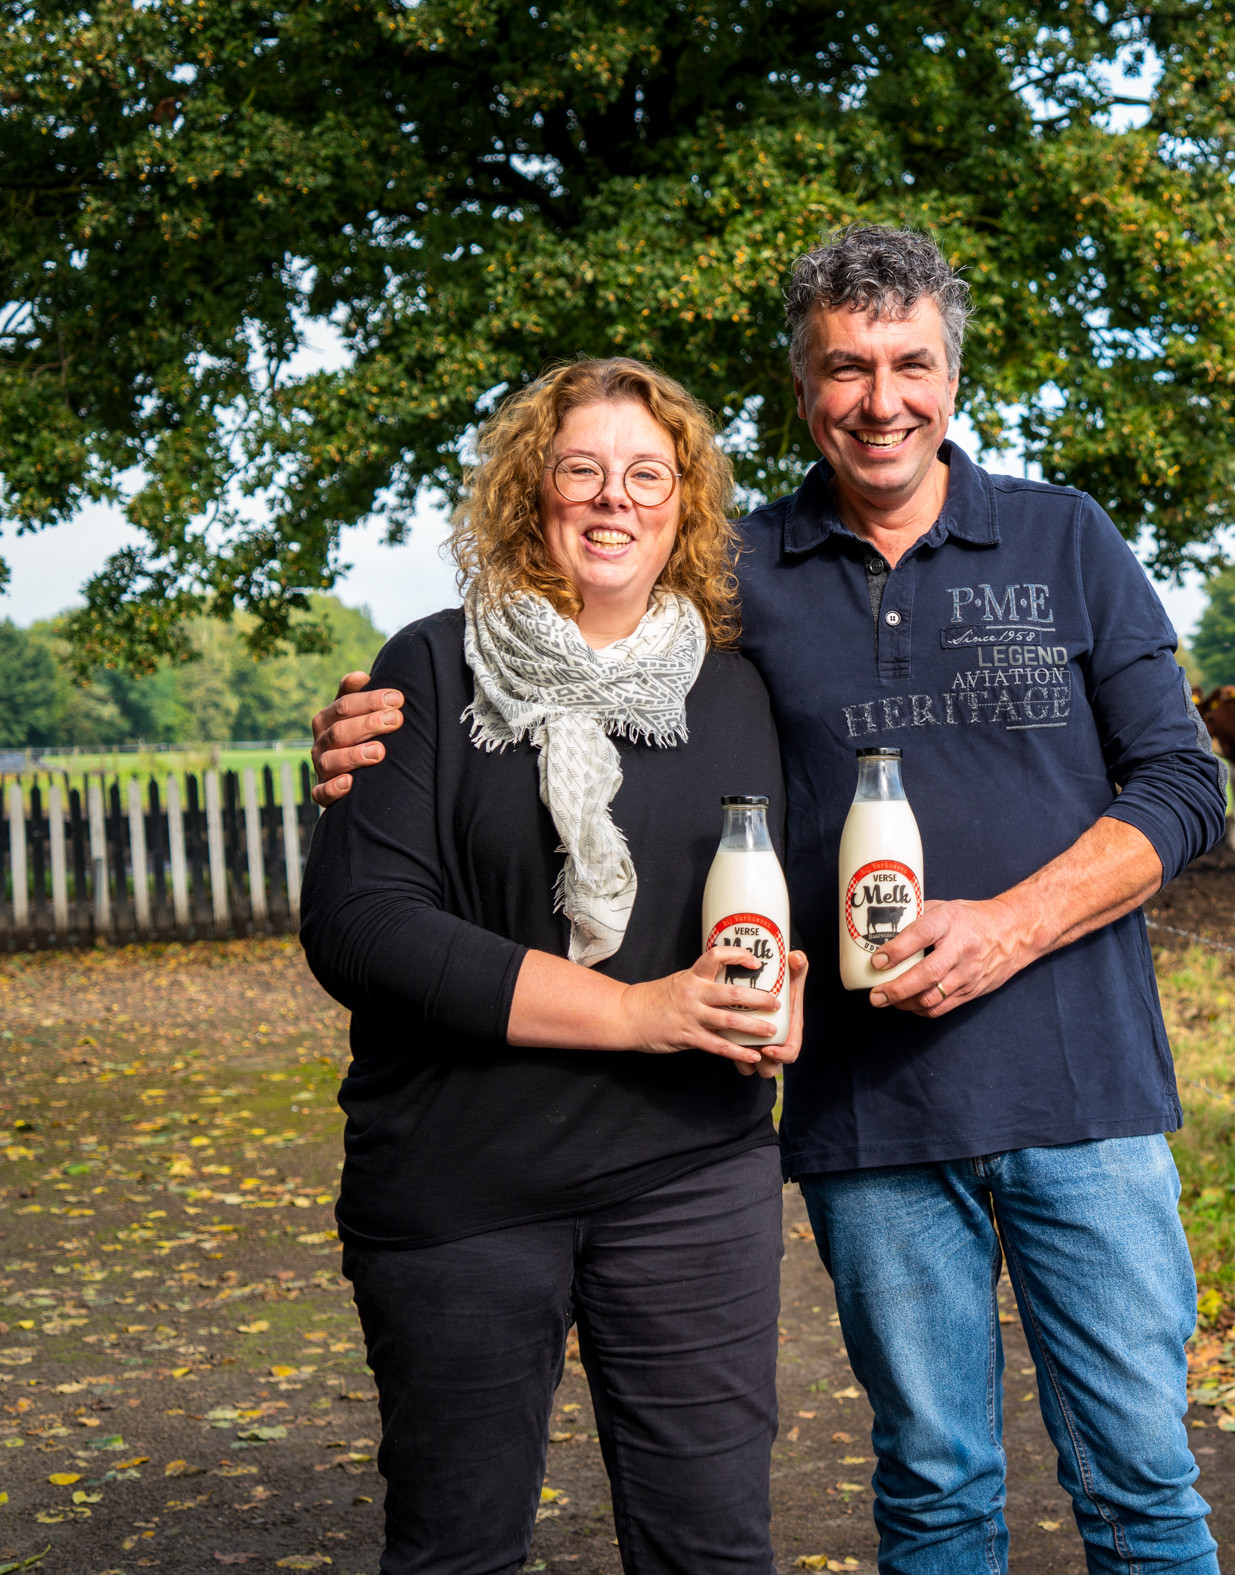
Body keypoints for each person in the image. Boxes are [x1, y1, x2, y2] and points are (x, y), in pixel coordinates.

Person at [314, 227, 1230, 1575]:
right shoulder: (738, 579)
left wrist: (1010, 923)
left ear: (951, 372)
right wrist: (360, 730)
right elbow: (564, 649)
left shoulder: (1064, 535)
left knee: (1144, 1480)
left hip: (1080, 1090)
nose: (880, 398)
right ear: (801, 387)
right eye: (843, 367)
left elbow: (1181, 783)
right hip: (875, 1112)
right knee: (932, 1485)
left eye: (908, 362)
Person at [300, 357, 810, 1574]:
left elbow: (772, 894)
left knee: (713, 1552)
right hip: (458, 1184)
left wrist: (790, 999)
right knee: (457, 1550)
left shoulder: (738, 691)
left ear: (686, 505)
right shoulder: (428, 670)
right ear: (531, 492)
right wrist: (635, 1013)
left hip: (692, 1177)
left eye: (647, 474)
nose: (612, 499)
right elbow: (363, 924)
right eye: (579, 469)